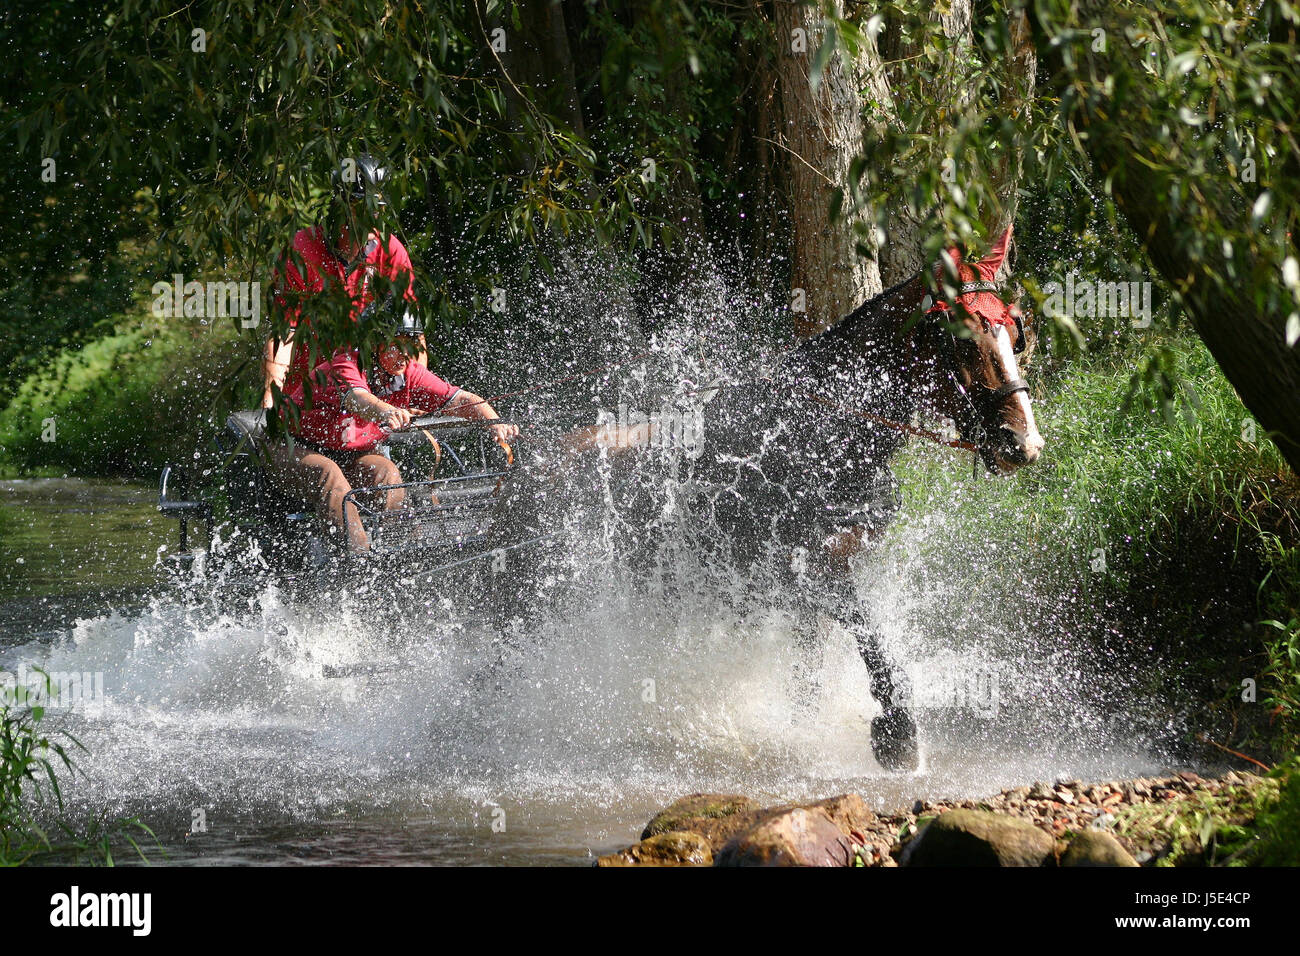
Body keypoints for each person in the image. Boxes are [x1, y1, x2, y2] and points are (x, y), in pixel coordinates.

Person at [268, 305, 518, 553]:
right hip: (292, 446)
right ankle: (356, 566)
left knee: (386, 474)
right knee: (330, 476)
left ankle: (400, 558)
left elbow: (461, 400)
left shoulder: (410, 373)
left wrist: (493, 422)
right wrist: (386, 411)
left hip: (351, 454)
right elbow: (359, 399)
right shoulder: (344, 364)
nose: (406, 354)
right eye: (398, 345)